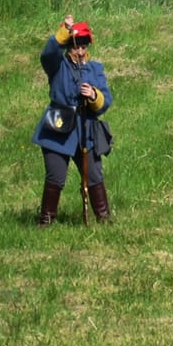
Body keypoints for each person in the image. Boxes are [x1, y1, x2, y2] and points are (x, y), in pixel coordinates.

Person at [33, 16, 113, 225]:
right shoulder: (57, 65)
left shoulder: (95, 68)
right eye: (75, 47)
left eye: (83, 47)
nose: (79, 51)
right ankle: (46, 220)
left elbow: (106, 100)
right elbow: (48, 54)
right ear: (68, 48)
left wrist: (95, 96)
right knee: (56, 177)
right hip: (58, 126)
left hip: (87, 128)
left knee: (95, 176)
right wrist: (64, 33)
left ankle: (104, 220)